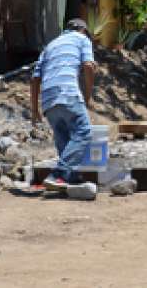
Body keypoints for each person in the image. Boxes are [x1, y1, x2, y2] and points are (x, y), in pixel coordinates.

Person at [30, 18, 96, 196]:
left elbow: (35, 78)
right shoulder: (82, 39)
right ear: (82, 30)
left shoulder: (50, 46)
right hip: (68, 93)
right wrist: (88, 96)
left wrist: (34, 109)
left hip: (48, 100)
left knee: (64, 140)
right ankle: (58, 175)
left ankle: (70, 178)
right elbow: (89, 66)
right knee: (83, 132)